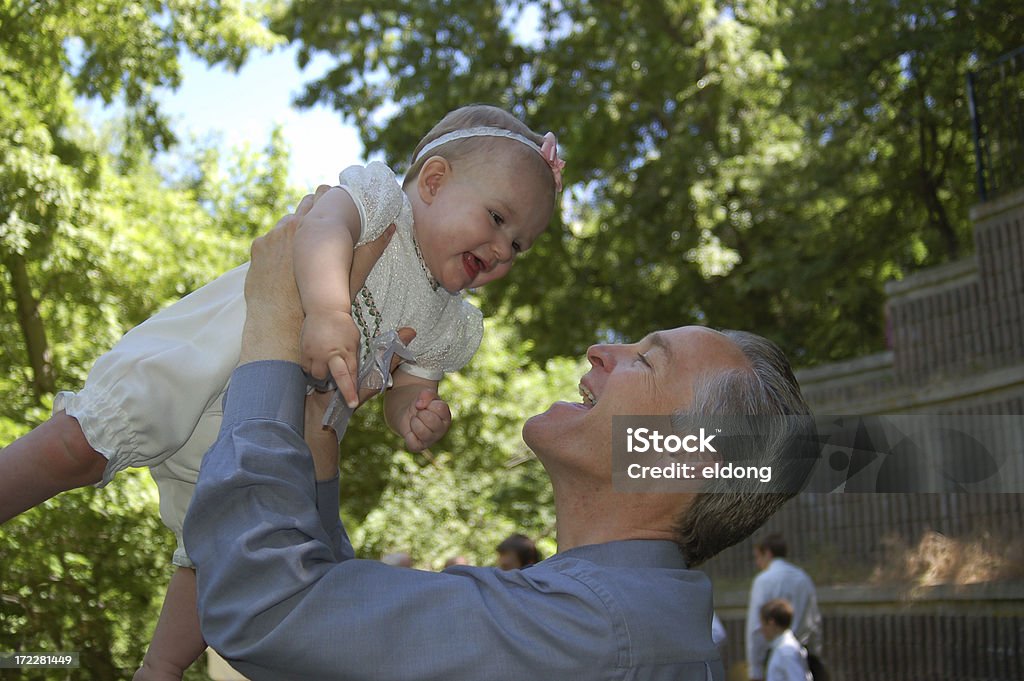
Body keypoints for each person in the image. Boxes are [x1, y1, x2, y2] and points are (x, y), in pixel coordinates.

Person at [0, 103, 564, 681]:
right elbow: (320, 227)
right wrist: (326, 307)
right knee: (79, 446)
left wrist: (412, 413)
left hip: (272, 433)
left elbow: (408, 382)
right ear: (435, 180)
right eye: (497, 218)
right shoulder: (380, 205)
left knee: (220, 548)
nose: (501, 249)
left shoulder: (447, 322)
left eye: (519, 244)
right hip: (212, 359)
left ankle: (160, 668)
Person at [180, 196, 815, 680]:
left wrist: (269, 326)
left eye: (646, 361)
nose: (601, 350)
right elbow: (333, 641)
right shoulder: (614, 619)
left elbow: (265, 609)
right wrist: (322, 437)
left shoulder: (591, 630)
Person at [745, 533, 823, 681]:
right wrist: (815, 654)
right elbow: (815, 622)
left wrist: (755, 669)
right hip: (803, 650)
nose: (757, 563)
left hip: (774, 651)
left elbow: (755, 628)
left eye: (757, 557)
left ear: (767, 553)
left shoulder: (763, 581)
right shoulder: (803, 578)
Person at [758, 599, 812, 681]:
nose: (761, 629)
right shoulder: (783, 648)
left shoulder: (785, 651)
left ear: (771, 623)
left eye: (762, 624)